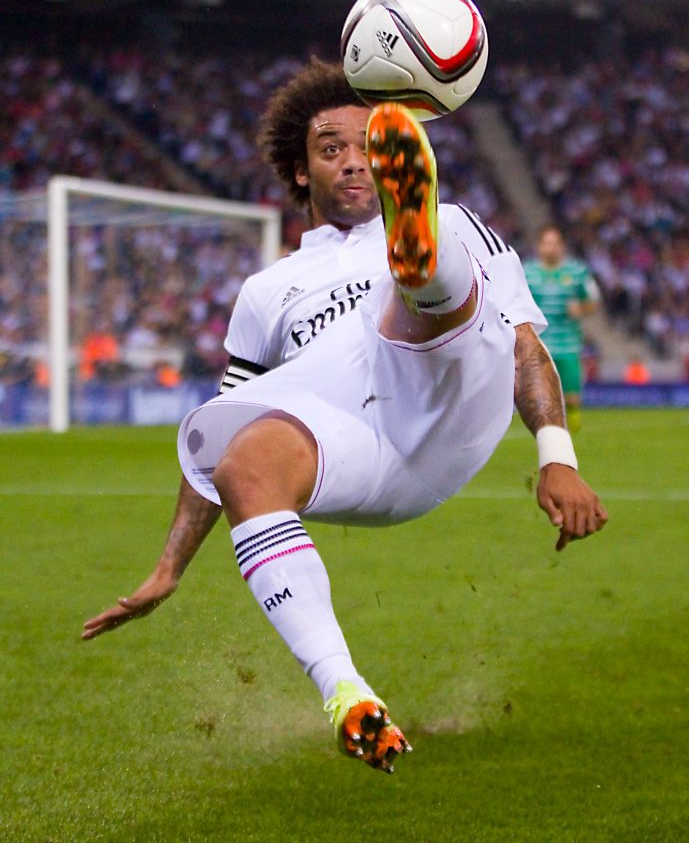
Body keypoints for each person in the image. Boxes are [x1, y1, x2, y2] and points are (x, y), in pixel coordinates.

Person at [83, 59, 606, 773]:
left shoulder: (460, 221)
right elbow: (227, 417)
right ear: (301, 172)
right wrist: (167, 568)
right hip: (368, 448)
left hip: (455, 392)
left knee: (415, 282)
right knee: (244, 459)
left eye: (369, 146)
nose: (354, 162)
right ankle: (348, 696)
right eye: (331, 149)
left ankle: (418, 263)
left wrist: (556, 456)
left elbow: (521, 342)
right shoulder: (268, 291)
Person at [523, 224, 601, 432]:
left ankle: (573, 433)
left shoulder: (577, 271)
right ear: (539, 247)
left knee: (572, 398)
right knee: (540, 397)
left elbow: (594, 300)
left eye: (555, 243)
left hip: (568, 344)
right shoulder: (527, 272)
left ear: (562, 247)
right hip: (538, 344)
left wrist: (582, 308)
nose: (551, 248)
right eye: (547, 243)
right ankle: (548, 433)